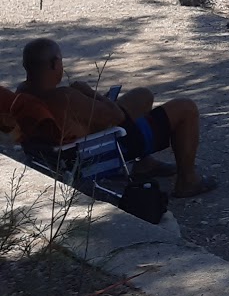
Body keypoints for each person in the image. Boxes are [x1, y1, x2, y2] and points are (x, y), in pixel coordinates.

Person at [12, 38, 215, 198]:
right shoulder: (64, 97)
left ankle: (145, 165)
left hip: (59, 150)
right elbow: (117, 117)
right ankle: (187, 181)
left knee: (143, 95)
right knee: (186, 107)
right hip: (107, 146)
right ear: (55, 64)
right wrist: (90, 92)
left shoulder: (21, 94)